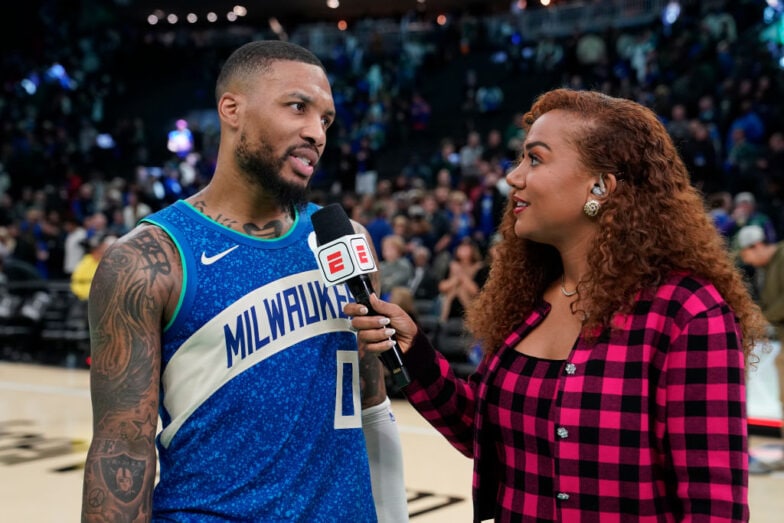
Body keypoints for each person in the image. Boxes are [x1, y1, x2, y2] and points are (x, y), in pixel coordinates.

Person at [347, 88, 767, 522]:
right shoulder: (530, 300)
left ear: (600, 185)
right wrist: (413, 351)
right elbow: (483, 433)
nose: (513, 177)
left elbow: (714, 509)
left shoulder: (688, 314)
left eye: (535, 159)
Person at [81, 40, 407, 522]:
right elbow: (121, 452)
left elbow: (371, 404)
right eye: (298, 107)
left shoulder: (345, 241)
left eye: (326, 120)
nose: (316, 132)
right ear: (231, 109)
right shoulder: (149, 259)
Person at [737, 224, 784, 472]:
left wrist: (762, 320)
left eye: (747, 255)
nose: (749, 262)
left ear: (756, 245)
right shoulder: (769, 266)